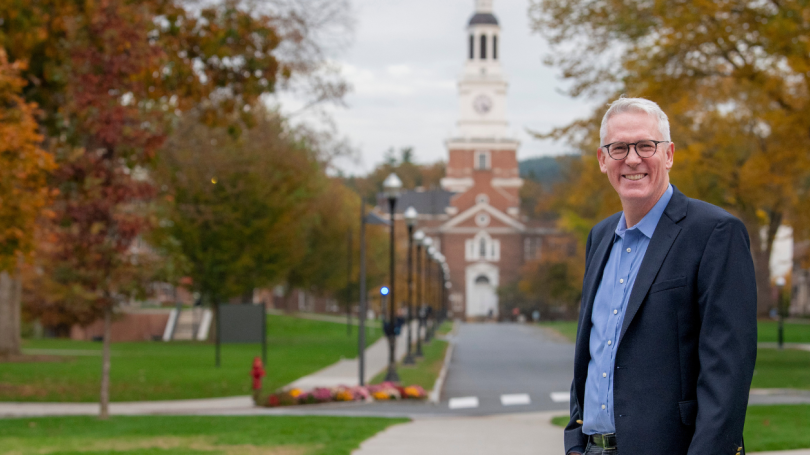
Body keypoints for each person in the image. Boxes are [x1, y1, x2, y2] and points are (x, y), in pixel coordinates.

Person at [564, 98, 757, 455]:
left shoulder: (715, 233)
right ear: (603, 159)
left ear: (668, 154)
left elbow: (727, 372)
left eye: (645, 145)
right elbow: (593, 349)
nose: (632, 159)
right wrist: (575, 440)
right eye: (619, 148)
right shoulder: (600, 237)